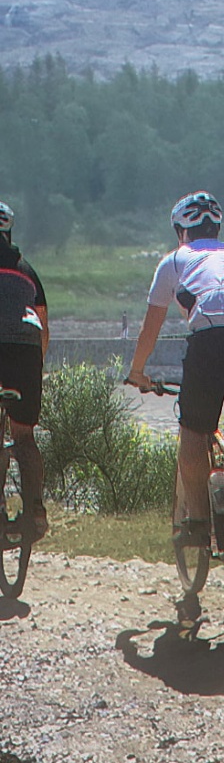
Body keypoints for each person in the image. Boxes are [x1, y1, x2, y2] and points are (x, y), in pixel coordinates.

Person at [126, 193, 224, 582]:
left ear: (182, 231)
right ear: (217, 228)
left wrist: (137, 372)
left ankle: (198, 521)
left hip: (213, 335)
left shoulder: (176, 259)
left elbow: (151, 326)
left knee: (194, 432)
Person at [0, 201, 49, 538]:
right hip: (27, 350)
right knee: (24, 436)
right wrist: (36, 368)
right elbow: (43, 326)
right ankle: (36, 511)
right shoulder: (26, 269)